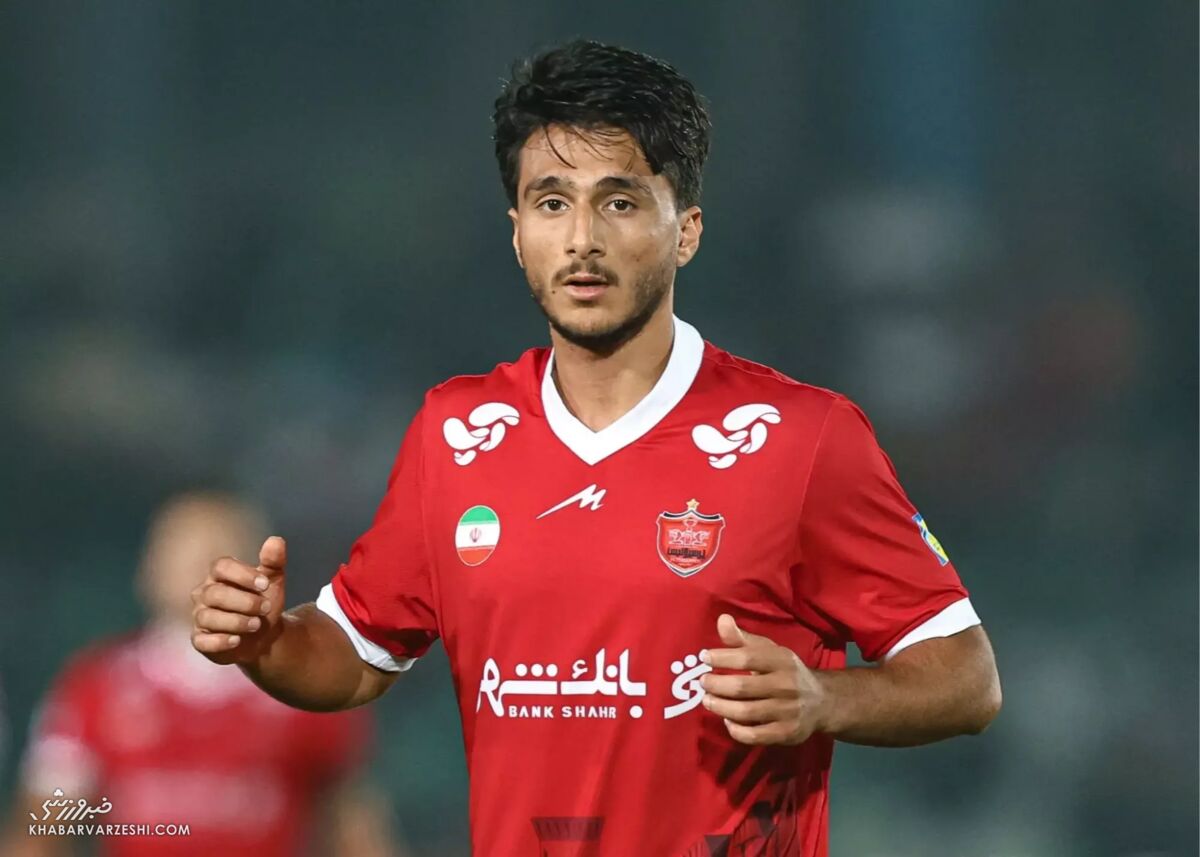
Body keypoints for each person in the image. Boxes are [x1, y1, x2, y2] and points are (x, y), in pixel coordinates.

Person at [190, 40, 1002, 856]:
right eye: (551, 202)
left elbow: (968, 678)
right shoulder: (456, 432)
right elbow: (354, 655)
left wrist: (825, 699)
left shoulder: (801, 436)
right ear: (517, 234)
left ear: (685, 231)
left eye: (618, 201)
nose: (582, 238)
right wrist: (267, 644)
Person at [4, 492, 400, 857]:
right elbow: (42, 830)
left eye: (220, 549)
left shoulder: (304, 685)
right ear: (148, 569)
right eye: (185, 549)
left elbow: (355, 831)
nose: (202, 565)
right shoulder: (97, 687)